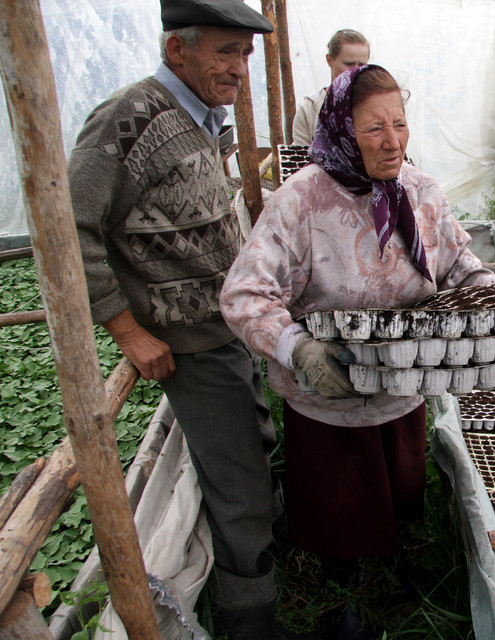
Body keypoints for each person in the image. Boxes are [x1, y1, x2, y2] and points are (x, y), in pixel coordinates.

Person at [221, 64, 495, 639]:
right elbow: (245, 292)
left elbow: (453, 262)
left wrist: (488, 292)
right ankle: (339, 583)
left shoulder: (419, 191)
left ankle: (393, 566)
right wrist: (299, 349)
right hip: (332, 391)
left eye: (400, 124)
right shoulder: (302, 201)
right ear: (342, 130)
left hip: (401, 384)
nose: (393, 141)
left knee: (397, 484)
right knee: (337, 500)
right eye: (375, 128)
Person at [67, 1, 289, 638]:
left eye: (245, 54)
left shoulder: (200, 118)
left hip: (225, 326)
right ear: (177, 51)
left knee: (256, 438)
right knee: (238, 481)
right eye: (226, 52)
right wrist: (126, 328)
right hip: (188, 341)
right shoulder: (129, 120)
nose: (240, 68)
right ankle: (253, 621)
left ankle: (275, 557)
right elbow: (68, 223)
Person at [291, 28, 370, 145]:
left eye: (362, 65)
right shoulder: (310, 109)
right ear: (329, 60)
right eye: (349, 64)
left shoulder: (374, 105)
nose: (355, 70)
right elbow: (302, 158)